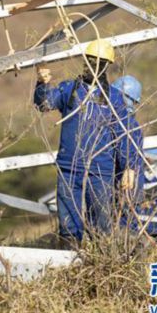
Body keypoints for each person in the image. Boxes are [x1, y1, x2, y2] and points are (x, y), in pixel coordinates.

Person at [34, 39, 134, 245]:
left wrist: (129, 167)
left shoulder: (114, 99)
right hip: (69, 169)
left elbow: (123, 136)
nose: (94, 65)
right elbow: (44, 104)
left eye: (100, 62)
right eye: (90, 60)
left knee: (102, 227)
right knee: (69, 226)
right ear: (84, 61)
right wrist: (42, 84)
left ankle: (102, 268)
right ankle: (69, 264)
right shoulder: (69, 90)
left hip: (101, 172)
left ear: (107, 66)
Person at [112, 75, 145, 234]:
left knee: (125, 229)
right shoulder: (132, 124)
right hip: (129, 184)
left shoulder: (126, 124)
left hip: (125, 184)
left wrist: (128, 168)